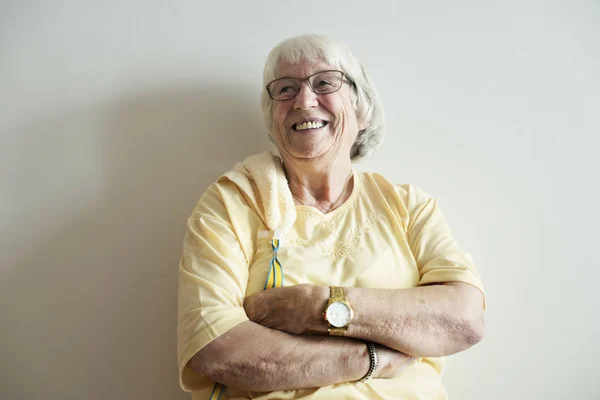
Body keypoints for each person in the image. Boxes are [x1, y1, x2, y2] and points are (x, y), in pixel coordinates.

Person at [177, 34, 486, 400]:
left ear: (362, 109)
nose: (304, 101)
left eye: (324, 83)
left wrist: (316, 306)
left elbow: (464, 319)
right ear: (271, 117)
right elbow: (216, 349)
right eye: (286, 89)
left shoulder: (408, 206)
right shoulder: (232, 203)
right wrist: (371, 357)